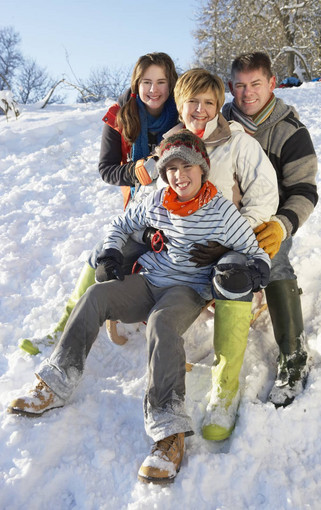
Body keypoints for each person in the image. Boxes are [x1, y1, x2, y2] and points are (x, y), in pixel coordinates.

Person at [8, 130, 271, 484]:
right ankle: (55, 383)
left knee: (163, 325)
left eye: (186, 166)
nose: (179, 175)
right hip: (150, 280)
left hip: (187, 290)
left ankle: (169, 434)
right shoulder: (157, 198)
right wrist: (111, 252)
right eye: (171, 168)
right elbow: (122, 224)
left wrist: (252, 270)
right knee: (95, 297)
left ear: (202, 169)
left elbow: (254, 250)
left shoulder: (220, 209)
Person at [20, 52, 179, 355]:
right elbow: (106, 169)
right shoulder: (121, 115)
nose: (154, 89)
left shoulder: (183, 113)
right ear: (136, 83)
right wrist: (133, 171)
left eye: (161, 82)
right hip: (139, 212)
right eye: (147, 82)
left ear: (171, 84)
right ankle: (63, 328)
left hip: (180, 215)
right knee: (103, 253)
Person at [169, 68, 279, 441]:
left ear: (219, 106)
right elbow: (149, 201)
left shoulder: (237, 142)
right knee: (112, 245)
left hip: (225, 244)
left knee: (233, 277)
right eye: (192, 102)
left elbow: (264, 196)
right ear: (179, 104)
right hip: (180, 245)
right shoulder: (168, 144)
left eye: (209, 103)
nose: (200, 110)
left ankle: (225, 390)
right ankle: (64, 333)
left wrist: (230, 239)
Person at [222, 52, 318, 408]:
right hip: (225, 216)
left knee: (274, 263)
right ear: (231, 87)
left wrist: (281, 225)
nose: (248, 94)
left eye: (256, 85)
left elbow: (305, 190)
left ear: (272, 83)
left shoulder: (290, 132)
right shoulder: (219, 121)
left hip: (270, 221)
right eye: (241, 86)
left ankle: (294, 355)